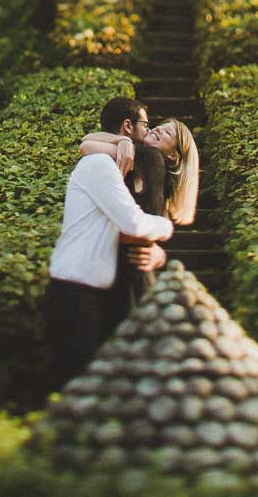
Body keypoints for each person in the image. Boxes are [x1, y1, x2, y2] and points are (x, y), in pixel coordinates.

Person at [43, 96, 174, 388]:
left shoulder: (110, 163)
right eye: (146, 125)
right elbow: (133, 223)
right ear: (127, 127)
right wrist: (165, 227)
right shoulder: (100, 165)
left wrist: (158, 255)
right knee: (77, 386)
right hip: (75, 292)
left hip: (92, 291)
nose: (150, 133)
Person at [81, 117, 199, 328]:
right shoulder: (145, 162)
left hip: (125, 262)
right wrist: (123, 142)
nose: (159, 130)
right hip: (127, 259)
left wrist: (123, 142)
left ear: (173, 155)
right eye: (160, 127)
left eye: (168, 133)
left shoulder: (149, 159)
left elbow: (87, 144)